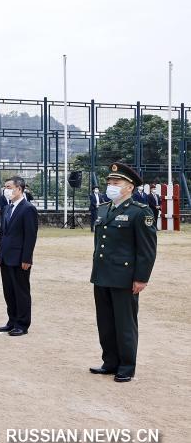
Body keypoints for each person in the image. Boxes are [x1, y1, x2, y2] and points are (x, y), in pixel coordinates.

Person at [89, 162, 156, 383]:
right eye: (109, 182)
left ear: (129, 187)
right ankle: (110, 362)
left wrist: (141, 278)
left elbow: (146, 250)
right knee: (105, 322)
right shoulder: (103, 209)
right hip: (102, 275)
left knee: (125, 323)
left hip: (124, 278)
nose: (111, 185)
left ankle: (126, 366)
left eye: (116, 182)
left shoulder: (139, 212)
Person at [0, 176, 39, 337]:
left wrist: (27, 259)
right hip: (6, 257)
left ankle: (22, 324)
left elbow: (30, 236)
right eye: (5, 187)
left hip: (20, 258)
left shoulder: (28, 208)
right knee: (9, 291)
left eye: (9, 187)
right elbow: (3, 235)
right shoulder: (7, 208)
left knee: (20, 291)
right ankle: (12, 320)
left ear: (19, 189)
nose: (6, 190)